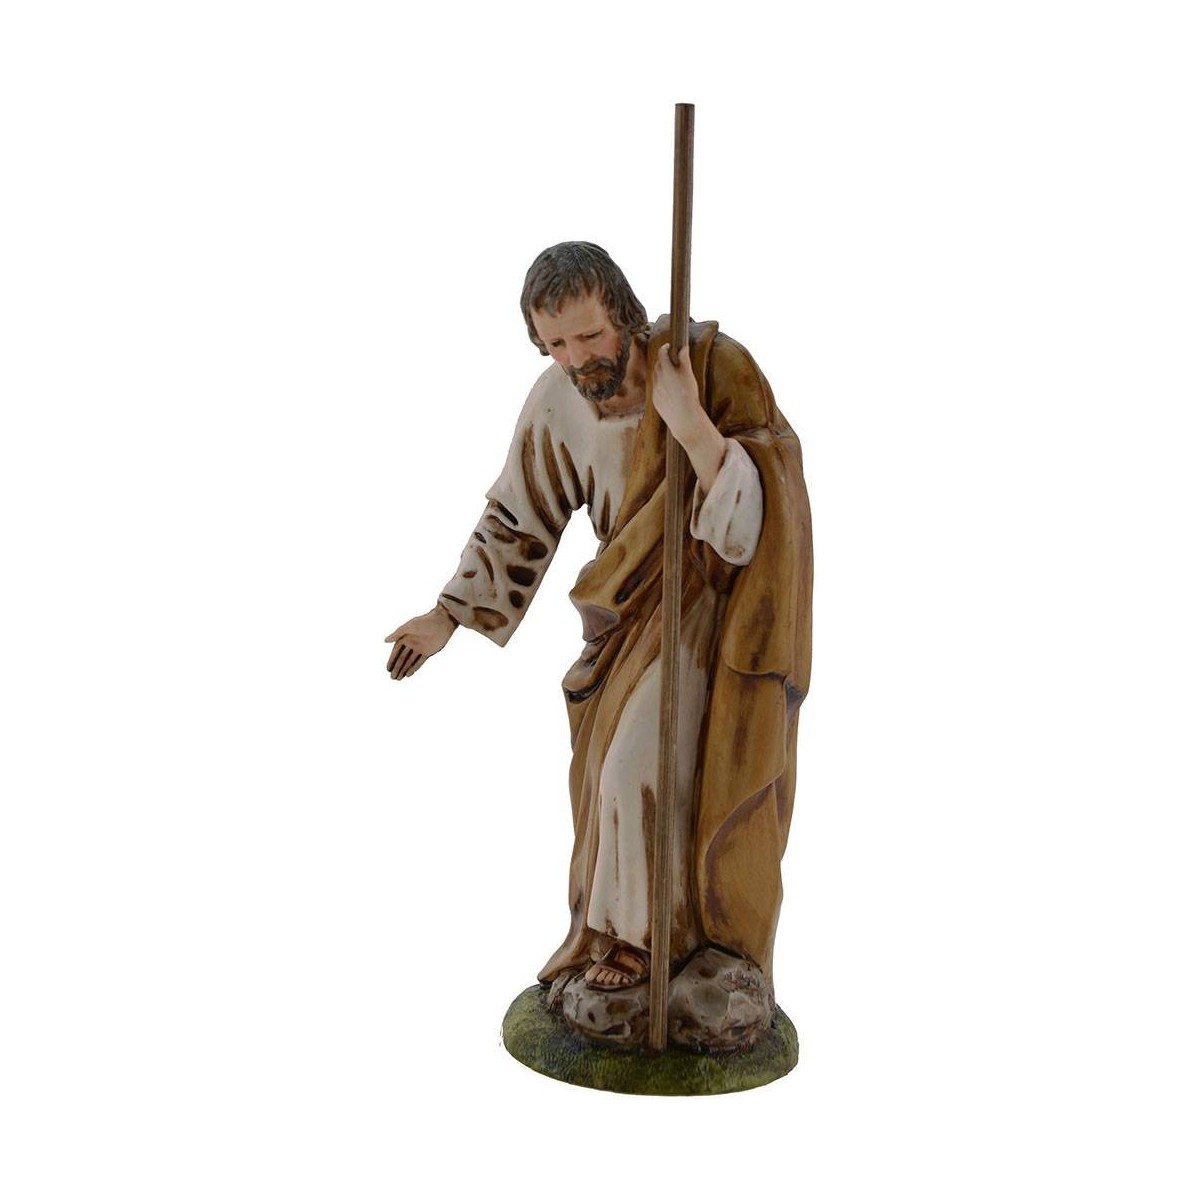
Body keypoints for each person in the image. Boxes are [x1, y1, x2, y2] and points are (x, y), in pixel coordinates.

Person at [386, 243, 812, 1021]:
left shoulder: (707, 370)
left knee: (638, 771)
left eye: (589, 336)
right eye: (556, 343)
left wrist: (691, 426)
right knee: (616, 778)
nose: (577, 358)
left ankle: (645, 946)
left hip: (713, 616)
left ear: (624, 314)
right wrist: (447, 615)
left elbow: (764, 515)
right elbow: (519, 518)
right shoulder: (558, 403)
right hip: (626, 622)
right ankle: (644, 939)